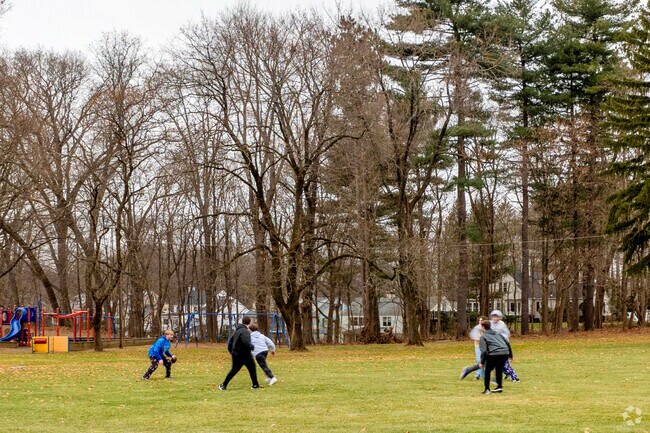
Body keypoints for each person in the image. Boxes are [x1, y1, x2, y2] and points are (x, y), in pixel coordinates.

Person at [219, 316, 260, 390]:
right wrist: (252, 347)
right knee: (252, 368)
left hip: (236, 354)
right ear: (249, 322)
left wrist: (230, 350)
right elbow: (246, 342)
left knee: (234, 370)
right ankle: (255, 385)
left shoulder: (237, 331)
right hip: (245, 354)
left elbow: (230, 342)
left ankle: (223, 385)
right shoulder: (245, 331)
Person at [478, 320, 513, 394]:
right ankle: (499, 387)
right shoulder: (498, 333)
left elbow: (484, 351)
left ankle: (487, 389)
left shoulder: (483, 336)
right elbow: (507, 343)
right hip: (504, 353)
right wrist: (510, 355)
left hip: (494, 353)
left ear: (483, 327)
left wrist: (482, 362)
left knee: (487, 370)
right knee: (499, 369)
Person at [489, 310, 520, 382]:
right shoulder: (490, 324)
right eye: (493, 316)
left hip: (503, 348)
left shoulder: (502, 325)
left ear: (499, 317)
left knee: (505, 366)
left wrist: (510, 354)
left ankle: (515, 378)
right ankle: (498, 378)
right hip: (495, 348)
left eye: (496, 317)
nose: (495, 318)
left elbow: (506, 337)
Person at [459, 315, 488, 380]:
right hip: (478, 346)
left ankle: (483, 375)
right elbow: (474, 337)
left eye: (481, 321)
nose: (480, 322)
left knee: (484, 362)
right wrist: (481, 339)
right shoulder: (477, 328)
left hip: (485, 347)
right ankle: (477, 375)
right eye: (479, 321)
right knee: (478, 360)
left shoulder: (486, 328)